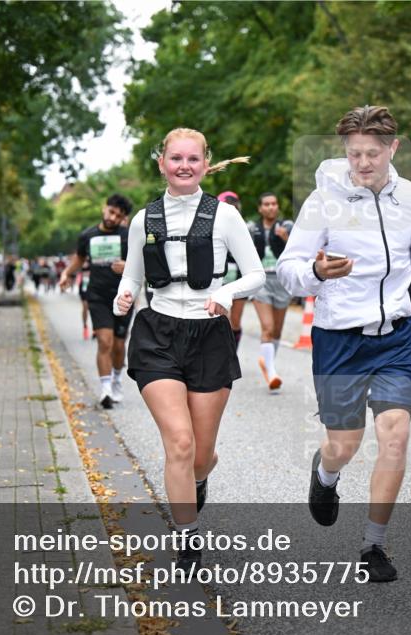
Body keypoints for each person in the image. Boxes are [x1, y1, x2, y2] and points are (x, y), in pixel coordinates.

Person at [277, 105, 411, 583]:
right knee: (343, 444)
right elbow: (288, 270)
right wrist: (315, 271)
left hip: (395, 336)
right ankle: (326, 474)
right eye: (354, 154)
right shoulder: (322, 202)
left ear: (393, 149)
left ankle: (373, 545)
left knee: (395, 435)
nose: (363, 162)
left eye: (372, 153)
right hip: (339, 340)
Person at [113, 129, 264, 571]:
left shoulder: (224, 217)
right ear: (161, 162)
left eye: (193, 159)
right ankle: (187, 538)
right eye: (175, 158)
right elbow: (133, 276)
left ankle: (197, 481)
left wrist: (228, 293)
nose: (184, 165)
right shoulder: (144, 218)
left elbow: (255, 273)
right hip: (157, 334)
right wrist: (123, 296)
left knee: (201, 454)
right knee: (178, 442)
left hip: (209, 335)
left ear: (205, 163)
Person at [59, 194, 135, 408]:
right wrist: (67, 274)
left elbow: (141, 263)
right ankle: (105, 389)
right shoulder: (88, 235)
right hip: (98, 295)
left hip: (123, 295)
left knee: (119, 345)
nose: (113, 217)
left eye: (118, 216)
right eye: (111, 212)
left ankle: (117, 379)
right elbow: (79, 259)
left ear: (123, 218)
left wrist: (127, 266)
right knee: (104, 341)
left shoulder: (128, 236)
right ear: (104, 208)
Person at [249, 192, 295, 390]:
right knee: (267, 328)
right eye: (266, 204)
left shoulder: (288, 227)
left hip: (282, 281)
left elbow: (299, 253)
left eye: (274, 204)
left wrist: (286, 240)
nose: (270, 207)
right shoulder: (251, 229)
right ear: (260, 208)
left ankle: (268, 363)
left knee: (277, 330)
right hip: (261, 281)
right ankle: (271, 372)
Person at [218, 191, 249, 349]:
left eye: (234, 207)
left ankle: (232, 354)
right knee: (221, 320)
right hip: (218, 280)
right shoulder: (210, 227)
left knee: (235, 322)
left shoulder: (244, 227)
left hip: (238, 279)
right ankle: (221, 356)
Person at [78, 258, 92, 340]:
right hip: (84, 286)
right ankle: (85, 326)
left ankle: (95, 329)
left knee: (94, 308)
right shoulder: (82, 257)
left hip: (94, 285)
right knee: (85, 307)